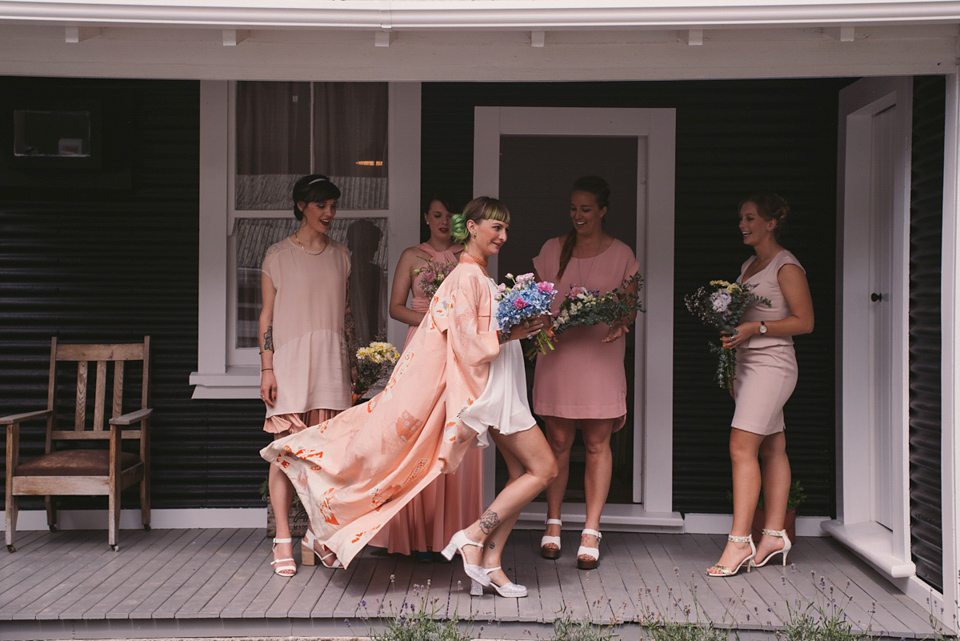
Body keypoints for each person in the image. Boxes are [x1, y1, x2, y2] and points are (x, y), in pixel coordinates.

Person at [261, 197, 558, 598]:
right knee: (545, 470)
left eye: (506, 229)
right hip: (497, 395)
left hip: (504, 388)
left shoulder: (477, 275)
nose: (504, 236)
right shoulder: (465, 277)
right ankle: (473, 537)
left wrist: (519, 324)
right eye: (496, 228)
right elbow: (467, 345)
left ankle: (490, 564)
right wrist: (511, 333)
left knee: (524, 476)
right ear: (471, 227)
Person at [368, 195, 484, 562]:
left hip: (460, 346)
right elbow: (395, 307)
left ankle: (449, 534)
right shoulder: (411, 256)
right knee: (415, 429)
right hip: (422, 343)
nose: (444, 222)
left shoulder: (468, 259)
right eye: (437, 215)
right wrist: (434, 321)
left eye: (450, 216)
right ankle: (411, 533)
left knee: (452, 426)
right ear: (426, 218)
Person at [532, 176, 640, 570]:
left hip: (601, 357)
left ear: (603, 210)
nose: (578, 216)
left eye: (586, 209)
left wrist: (620, 322)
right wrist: (544, 323)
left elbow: (629, 307)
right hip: (559, 357)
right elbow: (539, 302)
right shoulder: (552, 249)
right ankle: (554, 522)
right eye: (574, 208)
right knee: (557, 442)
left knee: (597, 444)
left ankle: (592, 528)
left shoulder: (623, 254)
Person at [705, 193, 814, 577]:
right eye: (741, 217)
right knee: (773, 445)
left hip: (773, 364)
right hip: (748, 364)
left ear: (771, 223)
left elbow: (804, 321)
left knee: (740, 446)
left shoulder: (786, 266)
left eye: (750, 218)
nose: (742, 224)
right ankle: (773, 534)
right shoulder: (750, 264)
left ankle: (738, 543)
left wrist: (755, 328)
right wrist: (734, 351)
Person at [259, 174, 355, 577]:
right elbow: (266, 317)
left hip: (330, 365)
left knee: (326, 460)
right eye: (321, 206)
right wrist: (267, 368)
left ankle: (317, 535)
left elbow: (345, 317)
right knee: (285, 456)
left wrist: (351, 367)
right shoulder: (277, 256)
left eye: (333, 206)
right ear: (301, 206)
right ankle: (283, 539)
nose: (329, 213)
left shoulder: (342, 256)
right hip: (290, 367)